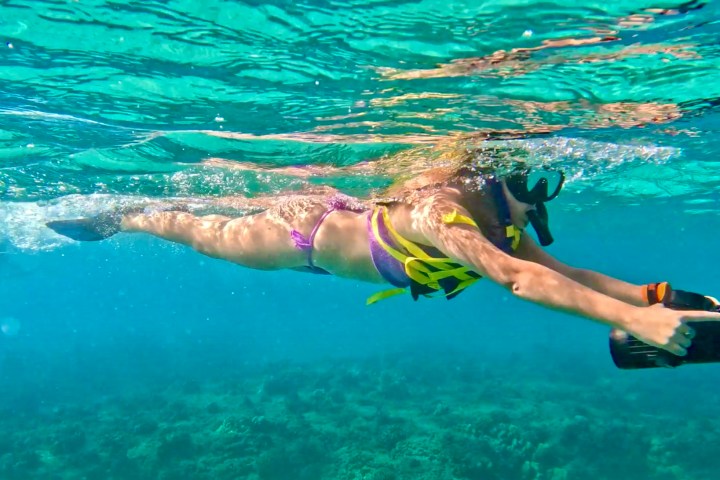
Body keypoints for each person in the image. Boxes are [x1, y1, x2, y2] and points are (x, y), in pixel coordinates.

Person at [46, 143, 720, 360]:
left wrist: (652, 299)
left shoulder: (498, 224)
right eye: (527, 183)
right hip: (299, 240)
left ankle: (137, 213)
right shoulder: (445, 213)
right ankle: (126, 215)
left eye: (546, 187)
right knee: (198, 230)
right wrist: (636, 325)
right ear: (494, 174)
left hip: (355, 219)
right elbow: (517, 282)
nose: (537, 201)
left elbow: (563, 273)